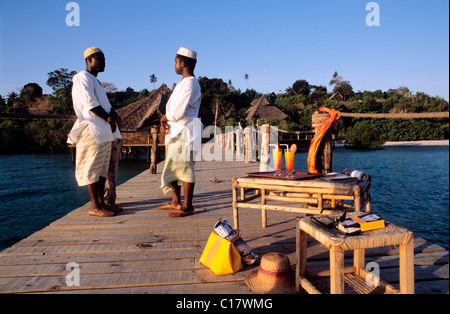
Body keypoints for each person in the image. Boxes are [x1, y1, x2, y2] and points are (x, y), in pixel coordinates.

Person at [68, 47, 122, 217]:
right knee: (92, 168)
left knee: (102, 169)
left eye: (104, 60)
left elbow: (106, 105)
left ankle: (102, 203)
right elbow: (90, 105)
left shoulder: (96, 81)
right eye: (100, 59)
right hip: (92, 129)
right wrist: (108, 117)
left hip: (104, 130)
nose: (104, 63)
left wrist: (112, 115)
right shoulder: (81, 77)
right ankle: (94, 206)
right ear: (89, 60)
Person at [158, 47, 202, 217]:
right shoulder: (184, 83)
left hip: (185, 131)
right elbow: (173, 111)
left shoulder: (191, 83)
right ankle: (176, 201)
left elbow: (178, 111)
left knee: (185, 168)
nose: (174, 65)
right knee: (173, 168)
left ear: (183, 63)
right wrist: (165, 119)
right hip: (177, 131)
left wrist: (165, 118)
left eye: (176, 62)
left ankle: (188, 206)